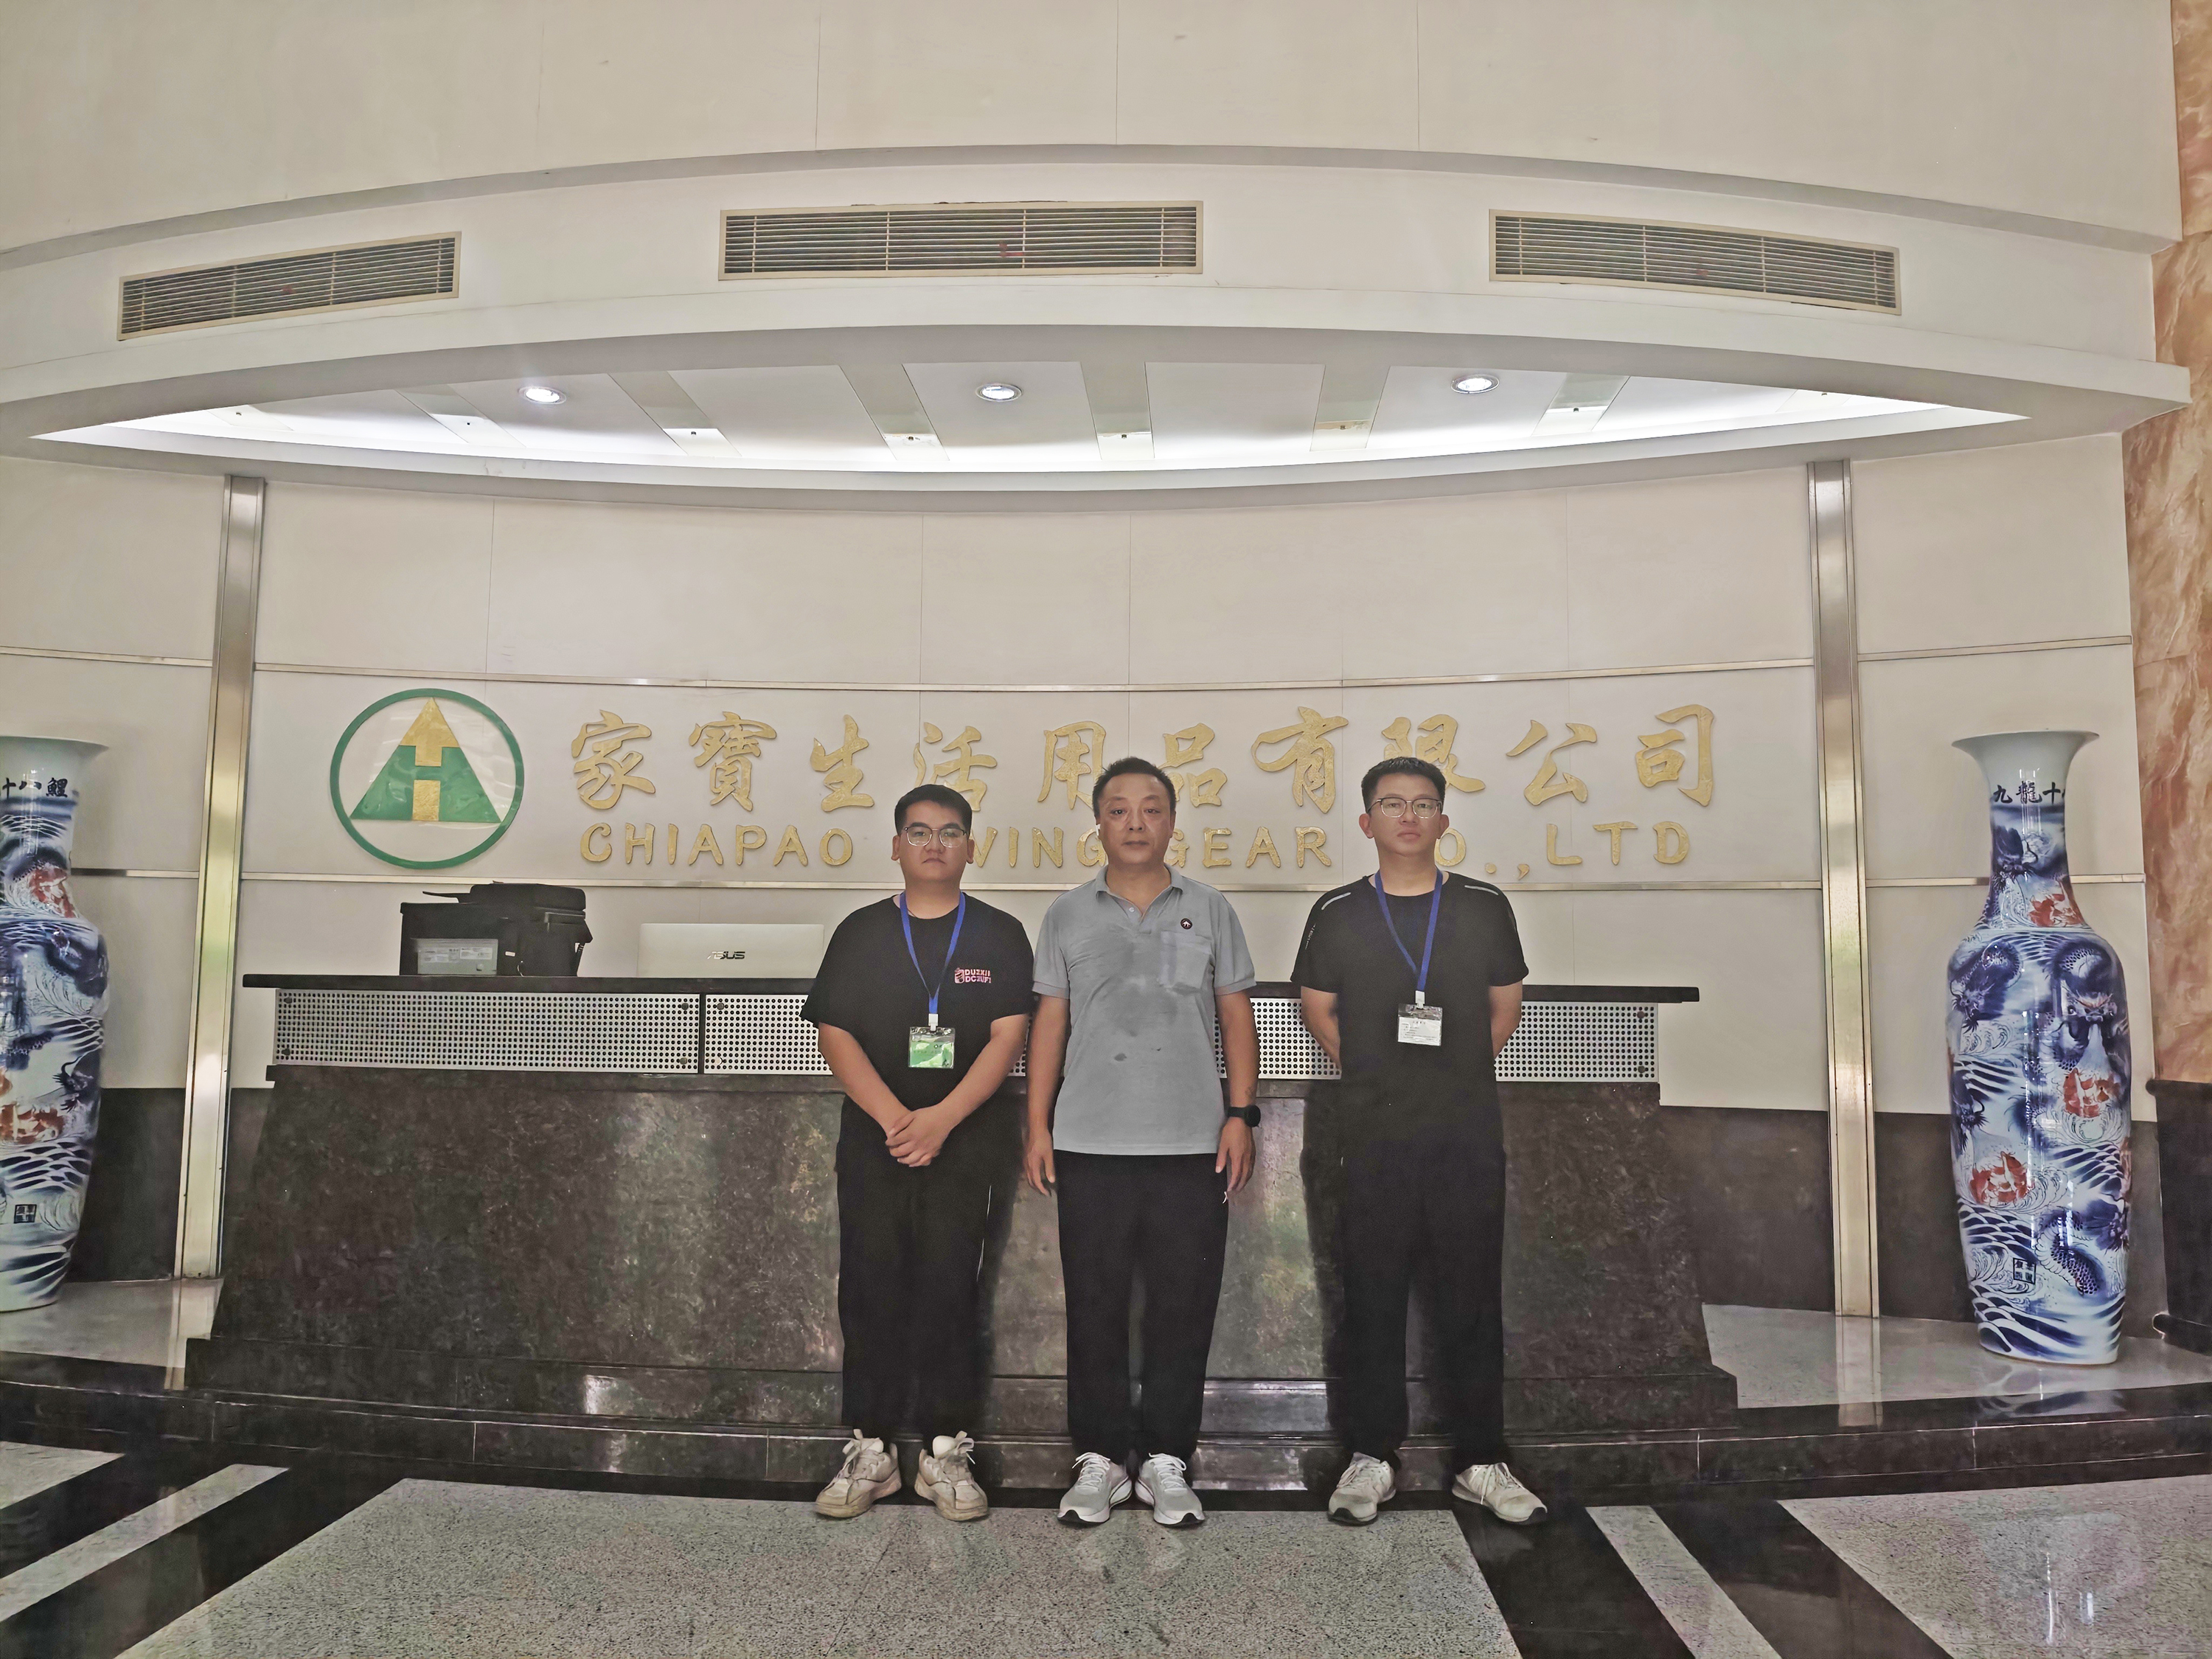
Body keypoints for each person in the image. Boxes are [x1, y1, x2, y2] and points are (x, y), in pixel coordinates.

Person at [1292, 756, 1548, 1528]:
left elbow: (1505, 1006)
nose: (1409, 816)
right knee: (1371, 1298)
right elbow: (1316, 1006)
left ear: (1444, 821)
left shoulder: (1482, 906)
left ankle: (1481, 1460)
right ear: (1366, 821)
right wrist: (1378, 1078)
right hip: (1371, 1136)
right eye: (1392, 804)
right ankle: (1372, 1456)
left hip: (1465, 1134)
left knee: (1471, 1296)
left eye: (1424, 804)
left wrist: (1449, 1080)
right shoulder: (1339, 911)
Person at [1023, 757, 1259, 1528]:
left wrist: (1241, 1114)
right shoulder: (1067, 914)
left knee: (1181, 1308)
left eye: (1151, 809)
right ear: (1099, 822)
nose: (1135, 823)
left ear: (1172, 822)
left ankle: (1165, 1459)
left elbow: (1235, 1016)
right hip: (1089, 1140)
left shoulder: (1211, 907)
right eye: (1119, 809)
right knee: (1093, 1306)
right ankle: (1098, 1458)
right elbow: (1050, 1022)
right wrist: (1037, 1124)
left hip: (1192, 1143)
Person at [802, 783, 1034, 1522]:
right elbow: (835, 1032)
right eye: (920, 831)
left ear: (971, 846)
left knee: (950, 1287)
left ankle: (944, 1450)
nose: (936, 844)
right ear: (897, 846)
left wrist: (942, 1121)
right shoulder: (862, 932)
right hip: (876, 1141)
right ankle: (871, 1448)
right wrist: (899, 1120)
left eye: (950, 832)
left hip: (965, 1143)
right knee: (869, 1286)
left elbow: (1008, 1037)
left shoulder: (999, 933)